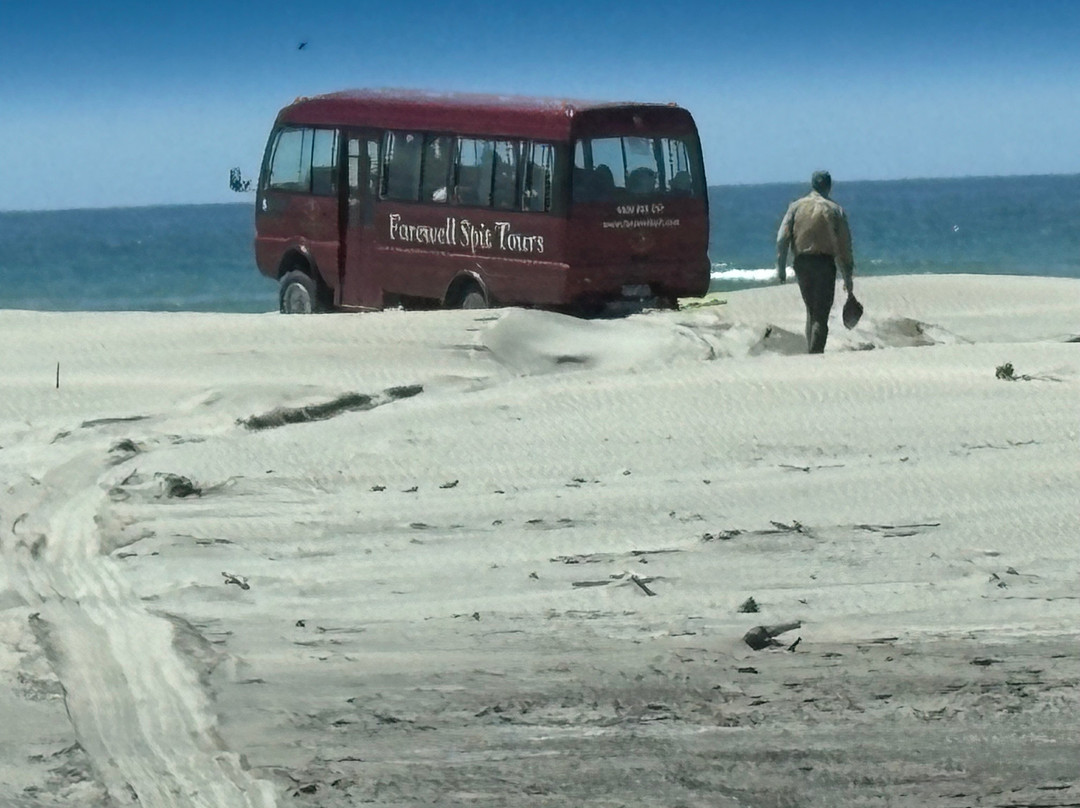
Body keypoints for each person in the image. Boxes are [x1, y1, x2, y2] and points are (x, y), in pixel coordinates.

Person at [776, 171, 855, 353]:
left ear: (812, 185)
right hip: (824, 264)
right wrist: (847, 277)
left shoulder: (796, 207)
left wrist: (780, 267)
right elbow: (844, 246)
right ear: (829, 186)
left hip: (802, 263)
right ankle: (815, 356)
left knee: (811, 310)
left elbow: (782, 238)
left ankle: (811, 351)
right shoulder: (835, 210)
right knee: (820, 315)